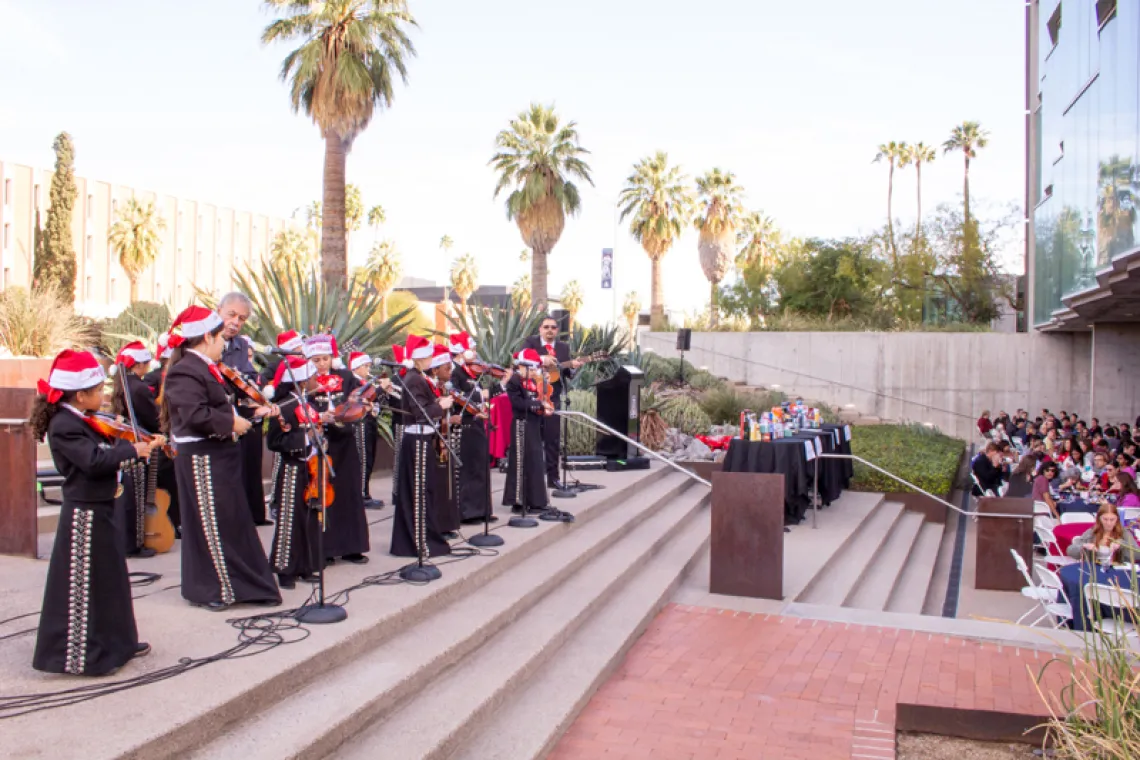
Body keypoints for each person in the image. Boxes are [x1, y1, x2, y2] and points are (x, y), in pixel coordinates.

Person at [30, 349, 154, 674]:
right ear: (81, 395)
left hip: (102, 507)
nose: (104, 395)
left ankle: (119, 642)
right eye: (99, 390)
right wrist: (131, 449)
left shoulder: (82, 419)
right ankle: (83, 655)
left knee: (110, 580)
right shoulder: (64, 425)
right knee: (83, 586)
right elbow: (93, 461)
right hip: (83, 513)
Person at [160, 306, 281, 610]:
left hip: (218, 454)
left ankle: (243, 584)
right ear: (205, 337)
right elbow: (195, 414)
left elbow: (219, 406)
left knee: (229, 521)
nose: (224, 343)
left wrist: (249, 414)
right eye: (219, 338)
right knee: (212, 524)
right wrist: (231, 423)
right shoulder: (185, 369)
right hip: (202, 457)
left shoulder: (206, 366)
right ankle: (214, 588)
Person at [303, 334, 371, 564]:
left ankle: (352, 546)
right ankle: (327, 549)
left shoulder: (345, 377)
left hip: (345, 440)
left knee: (349, 492)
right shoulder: (307, 381)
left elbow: (357, 401)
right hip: (322, 443)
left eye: (325, 358)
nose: (321, 364)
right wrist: (320, 417)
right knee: (323, 494)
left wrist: (354, 411)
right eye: (316, 360)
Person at [390, 335, 455, 559]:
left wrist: (436, 404)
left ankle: (425, 537)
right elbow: (421, 413)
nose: (432, 359)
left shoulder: (417, 378)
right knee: (418, 492)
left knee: (424, 490)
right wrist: (441, 406)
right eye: (429, 356)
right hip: (416, 439)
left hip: (423, 439)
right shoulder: (414, 380)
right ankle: (419, 542)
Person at [110, 341, 176, 554]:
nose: (148, 366)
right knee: (137, 496)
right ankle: (133, 544)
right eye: (146, 363)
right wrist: (163, 430)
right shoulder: (138, 387)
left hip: (125, 441)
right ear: (138, 365)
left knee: (131, 495)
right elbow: (151, 417)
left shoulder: (122, 383)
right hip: (140, 442)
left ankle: (130, 540)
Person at [265, 356, 324, 590]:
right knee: (288, 520)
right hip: (291, 467)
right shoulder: (285, 406)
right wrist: (305, 438)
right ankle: (284, 569)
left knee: (306, 519)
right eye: (311, 376)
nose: (316, 379)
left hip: (307, 466)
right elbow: (274, 441)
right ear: (301, 381)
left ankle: (303, 566)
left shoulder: (305, 402)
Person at [215, 292, 273, 527]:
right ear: (219, 310)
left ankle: (248, 515)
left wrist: (255, 392)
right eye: (232, 315)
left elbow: (247, 374)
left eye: (242, 319)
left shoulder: (240, 345)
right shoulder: (205, 340)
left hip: (239, 414)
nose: (236, 322)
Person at [504, 348, 573, 523]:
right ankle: (519, 501)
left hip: (533, 424)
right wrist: (538, 403)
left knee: (535, 462)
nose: (534, 372)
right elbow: (518, 403)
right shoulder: (514, 381)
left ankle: (536, 499)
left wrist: (544, 406)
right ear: (522, 367)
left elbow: (539, 398)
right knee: (521, 462)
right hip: (521, 424)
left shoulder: (532, 382)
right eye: (531, 369)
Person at [523, 316, 581, 489]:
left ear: (557, 330)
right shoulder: (530, 342)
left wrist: (573, 368)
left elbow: (565, 374)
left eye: (553, 327)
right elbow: (521, 360)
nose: (550, 330)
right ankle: (531, 480)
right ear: (540, 329)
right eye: (546, 327)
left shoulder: (563, 348)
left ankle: (553, 477)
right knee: (532, 439)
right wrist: (542, 360)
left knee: (552, 439)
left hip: (552, 397)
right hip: (532, 396)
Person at [449, 332, 495, 525]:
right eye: (473, 350)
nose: (476, 354)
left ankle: (482, 509)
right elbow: (456, 397)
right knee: (469, 469)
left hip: (476, 422)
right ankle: (467, 511)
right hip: (465, 425)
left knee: (481, 467)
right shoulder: (455, 373)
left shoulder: (471, 373)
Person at [428, 343, 462, 539]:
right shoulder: (430, 387)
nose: (450, 372)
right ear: (435, 369)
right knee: (438, 482)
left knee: (447, 481)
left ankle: (447, 523)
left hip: (445, 438)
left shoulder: (443, 387)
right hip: (434, 439)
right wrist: (448, 419)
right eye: (446, 368)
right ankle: (438, 525)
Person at [348, 351, 385, 510]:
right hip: (360, 423)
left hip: (370, 422)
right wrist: (380, 390)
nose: (368, 369)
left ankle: (365, 491)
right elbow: (360, 399)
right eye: (365, 366)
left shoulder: (365, 381)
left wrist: (378, 404)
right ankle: (362, 494)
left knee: (370, 458)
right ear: (356, 367)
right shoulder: (353, 382)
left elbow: (373, 401)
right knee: (363, 459)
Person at [1066, 503, 1140, 563]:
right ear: (1099, 519)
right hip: (1094, 571)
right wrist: (1084, 546)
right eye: (1105, 519)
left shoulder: (1124, 533)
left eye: (1112, 519)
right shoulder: (1091, 533)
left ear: (1117, 519)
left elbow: (1138, 554)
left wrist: (1122, 545)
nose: (1109, 523)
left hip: (1118, 573)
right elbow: (1070, 551)